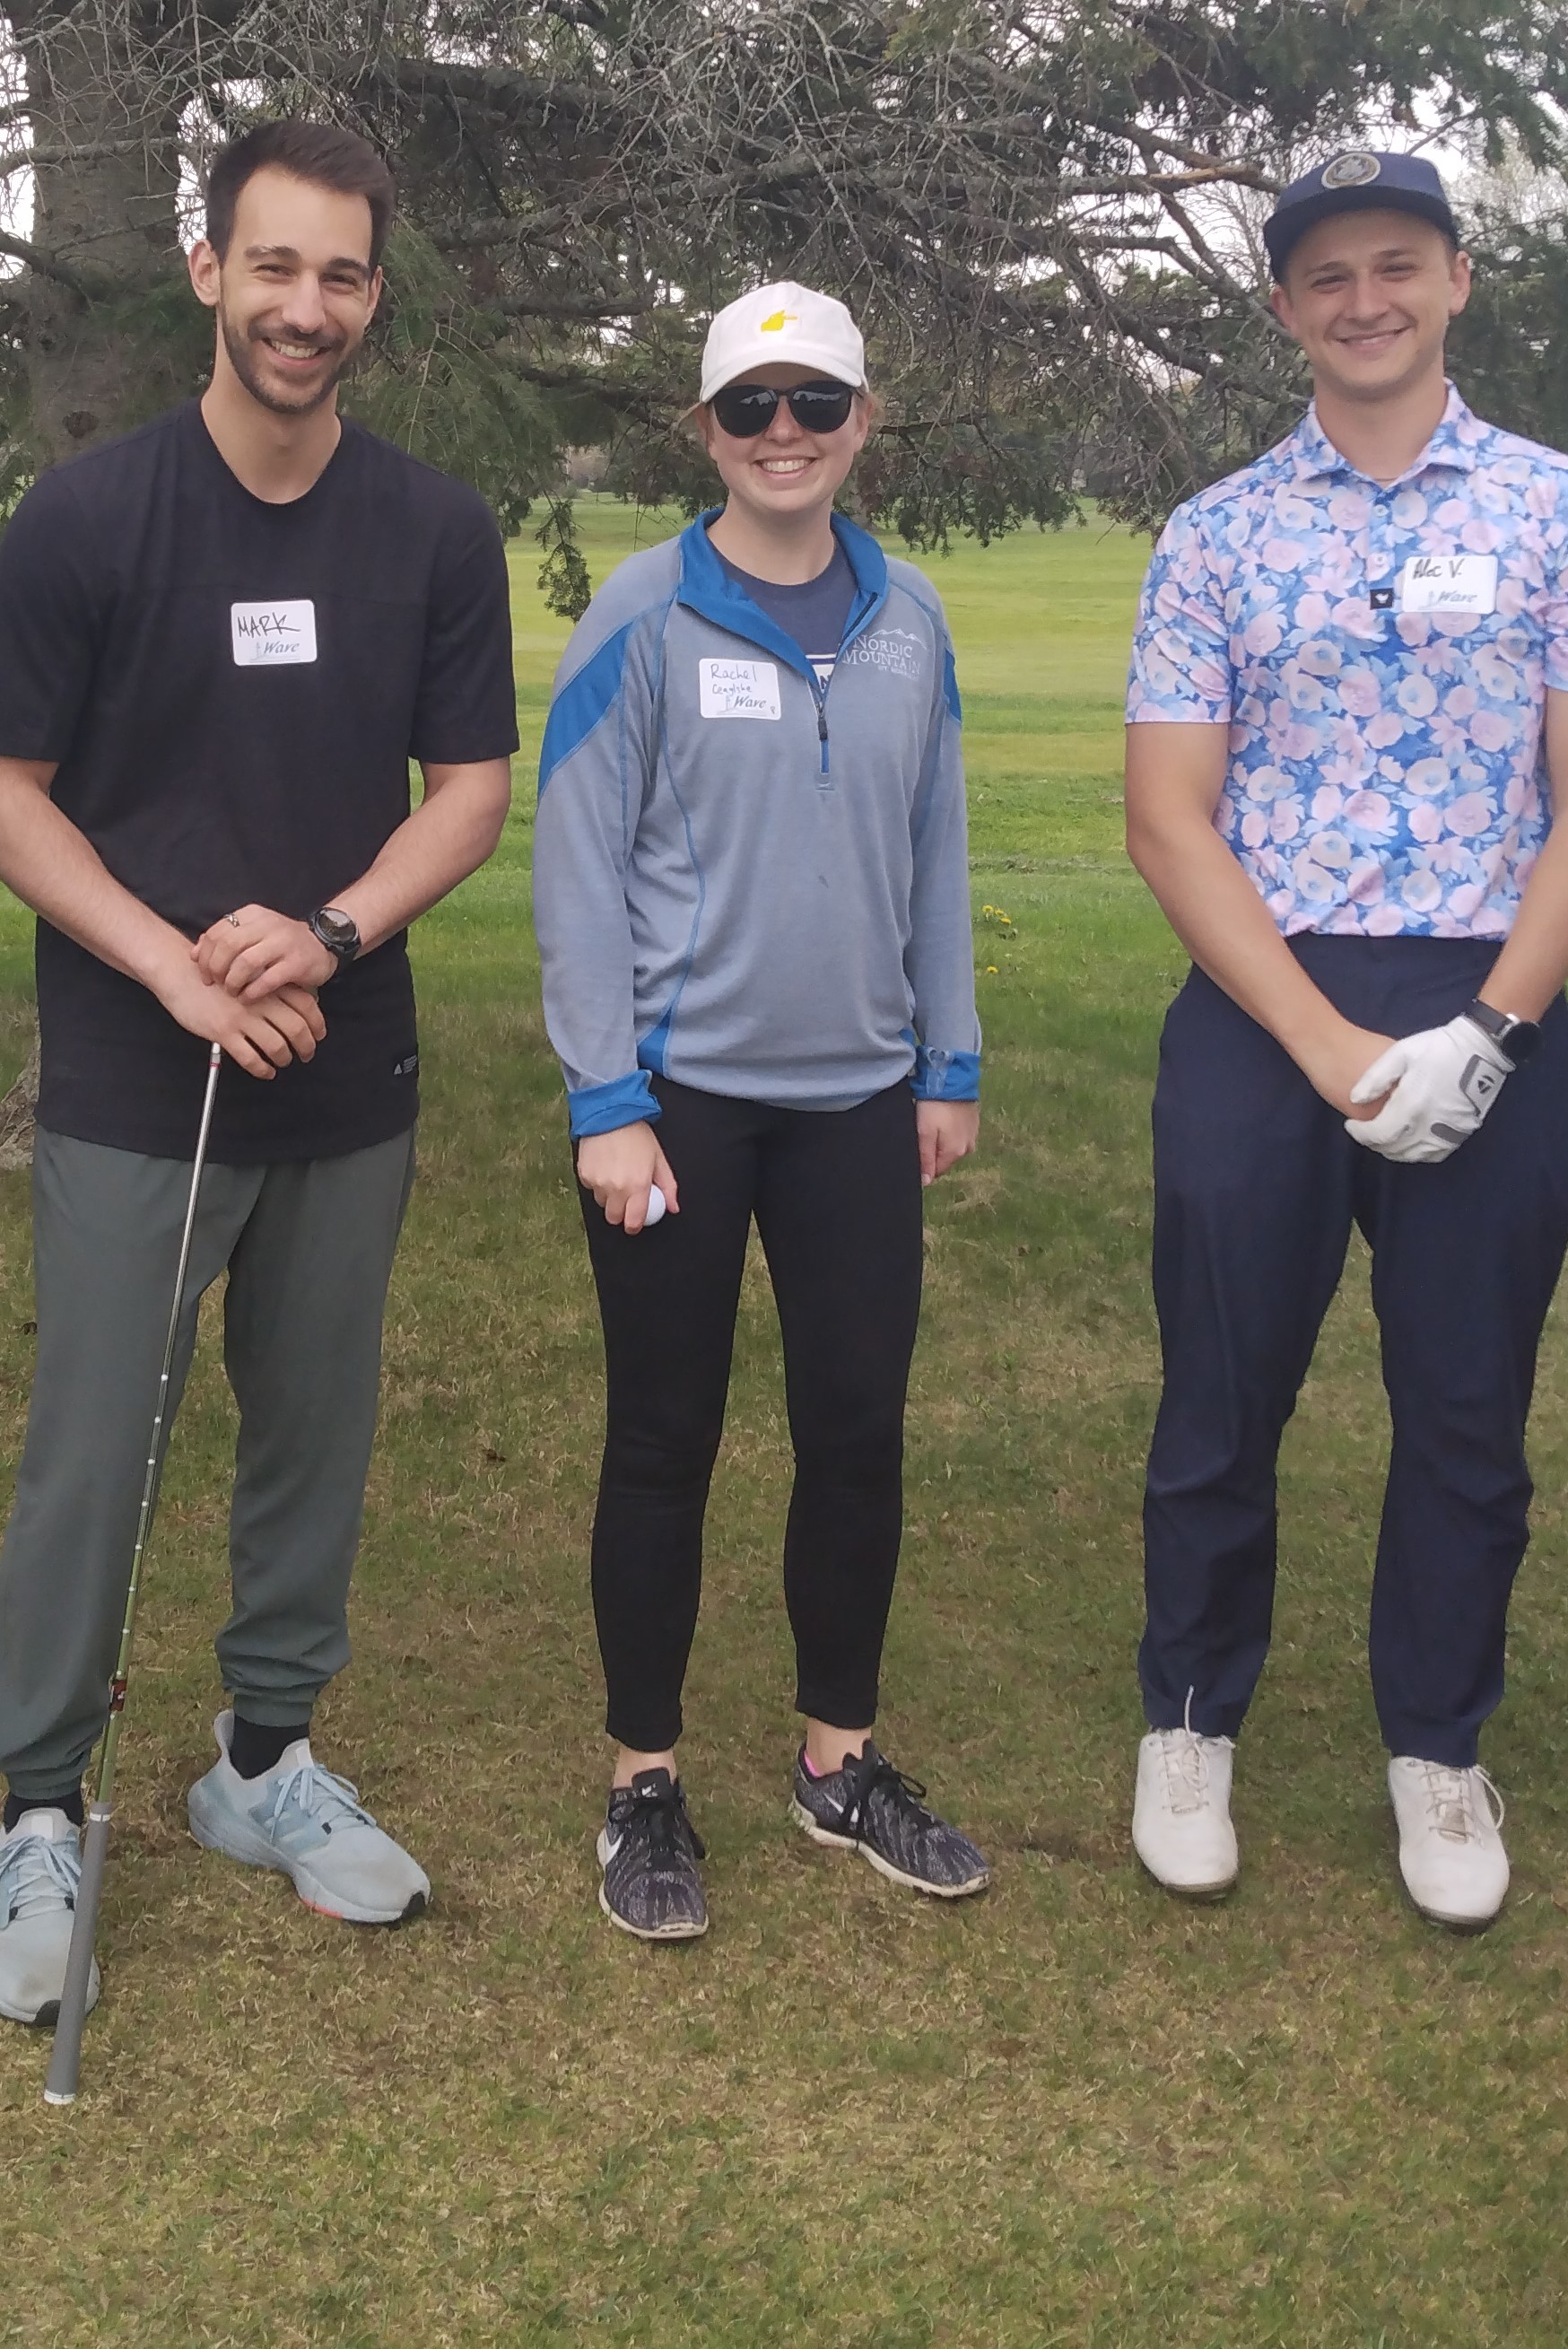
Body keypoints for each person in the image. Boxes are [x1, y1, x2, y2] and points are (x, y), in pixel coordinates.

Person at [0, 120, 517, 2023]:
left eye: (340, 273)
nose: (305, 306)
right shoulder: (90, 516)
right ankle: (38, 1801)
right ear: (208, 270)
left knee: (314, 1434)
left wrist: (336, 931)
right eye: (272, 266)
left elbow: (470, 794)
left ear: (372, 292)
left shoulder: (434, 529)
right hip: (137, 1071)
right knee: (95, 1443)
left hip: (347, 1073)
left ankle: (260, 1764)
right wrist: (172, 971)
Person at [1121, 152, 1568, 1929]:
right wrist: (1319, 1040)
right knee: (1219, 1392)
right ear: (1282, 309)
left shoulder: (1563, 513)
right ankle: (1189, 1713)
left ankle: (1436, 1745)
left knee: (1461, 1413)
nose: (1363, 299)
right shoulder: (1213, 533)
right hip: (1262, 998)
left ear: (1450, 281)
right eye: (1326, 276)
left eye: (1395, 265)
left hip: (1487, 993)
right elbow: (1167, 817)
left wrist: (1487, 1031)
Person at [533, 282, 989, 1942]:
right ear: (703, 429)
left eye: (816, 404)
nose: (784, 435)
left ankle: (836, 1759)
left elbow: (937, 847)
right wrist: (605, 1096)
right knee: (666, 1439)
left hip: (861, 1103)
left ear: (864, 422)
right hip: (678, 1112)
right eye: (751, 408)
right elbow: (575, 865)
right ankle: (642, 1781)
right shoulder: (643, 618)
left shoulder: (912, 620)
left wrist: (951, 1062)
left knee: (855, 1435)